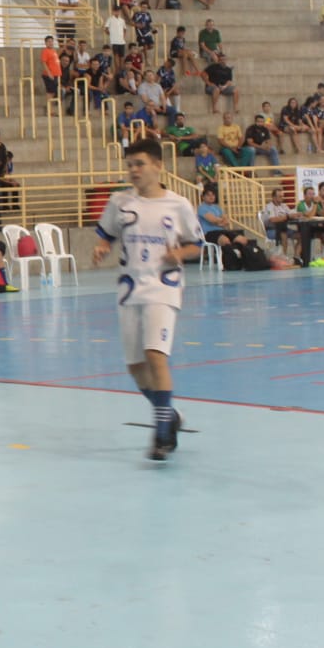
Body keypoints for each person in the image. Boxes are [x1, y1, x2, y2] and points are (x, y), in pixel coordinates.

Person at [91, 137, 203, 462]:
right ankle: (168, 413)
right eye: (129, 165)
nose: (134, 171)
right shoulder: (120, 201)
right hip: (129, 288)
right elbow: (106, 234)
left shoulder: (178, 204)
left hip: (163, 287)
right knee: (136, 367)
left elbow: (196, 245)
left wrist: (178, 253)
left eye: (139, 164)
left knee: (155, 355)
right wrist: (101, 248)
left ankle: (162, 436)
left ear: (158, 165)